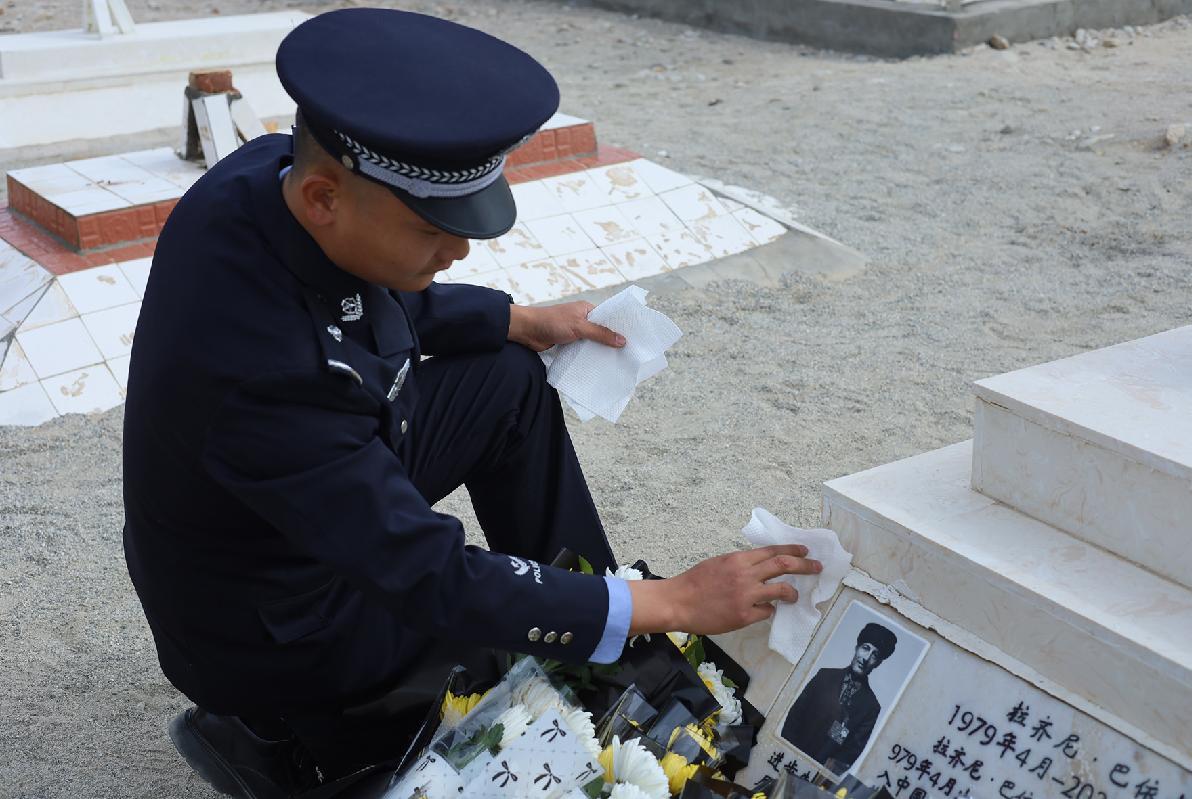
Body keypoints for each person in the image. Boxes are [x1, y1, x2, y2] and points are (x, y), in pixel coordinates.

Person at [121, 8, 822, 797]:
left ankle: (598, 635)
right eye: (432, 229)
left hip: (294, 516)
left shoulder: (265, 182)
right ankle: (281, 728)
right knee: (482, 679)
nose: (457, 249)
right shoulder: (269, 377)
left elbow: (360, 293)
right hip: (274, 620)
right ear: (324, 197)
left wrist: (515, 319)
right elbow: (432, 574)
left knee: (506, 379)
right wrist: (673, 601)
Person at [780, 622, 898, 771]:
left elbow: (850, 753)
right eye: (865, 648)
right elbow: (795, 715)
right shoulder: (824, 675)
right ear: (857, 648)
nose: (866, 658)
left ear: (878, 663)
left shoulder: (871, 706)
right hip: (785, 755)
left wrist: (818, 772)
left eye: (874, 655)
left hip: (814, 771)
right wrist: (785, 751)